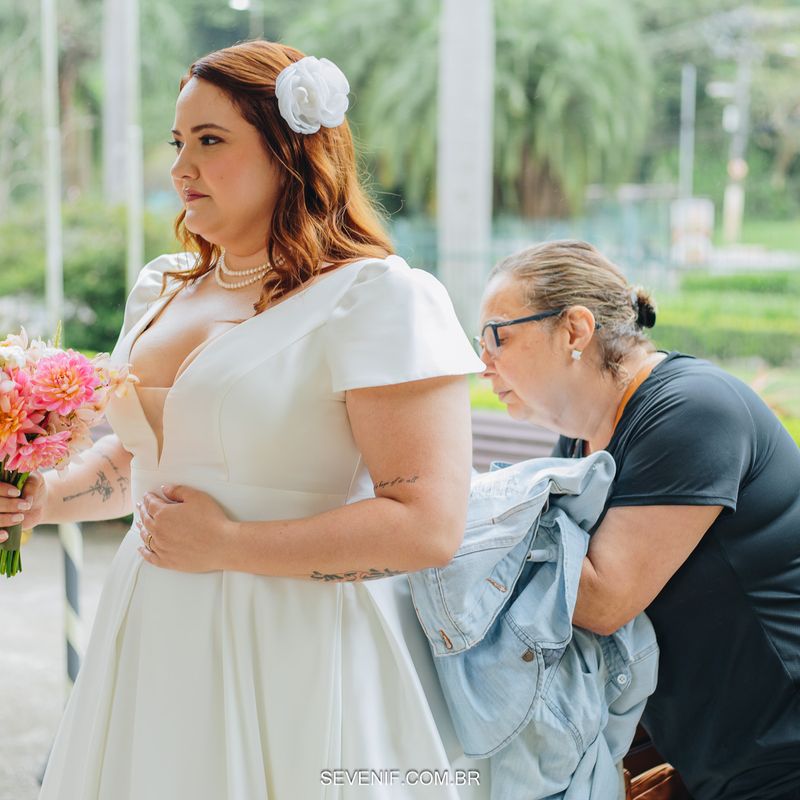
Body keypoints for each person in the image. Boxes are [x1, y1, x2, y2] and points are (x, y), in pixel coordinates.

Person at [0, 41, 489, 798]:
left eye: (210, 140)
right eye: (178, 142)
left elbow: (427, 526)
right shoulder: (161, 288)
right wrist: (43, 500)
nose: (180, 168)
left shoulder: (375, 299)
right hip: (152, 624)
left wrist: (228, 545)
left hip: (290, 638)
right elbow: (144, 462)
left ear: (292, 153)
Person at [474, 239, 800, 800]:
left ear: (575, 330)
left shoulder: (692, 409)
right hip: (717, 760)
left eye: (496, 337)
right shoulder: (580, 443)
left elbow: (601, 601)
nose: (484, 365)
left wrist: (459, 530)